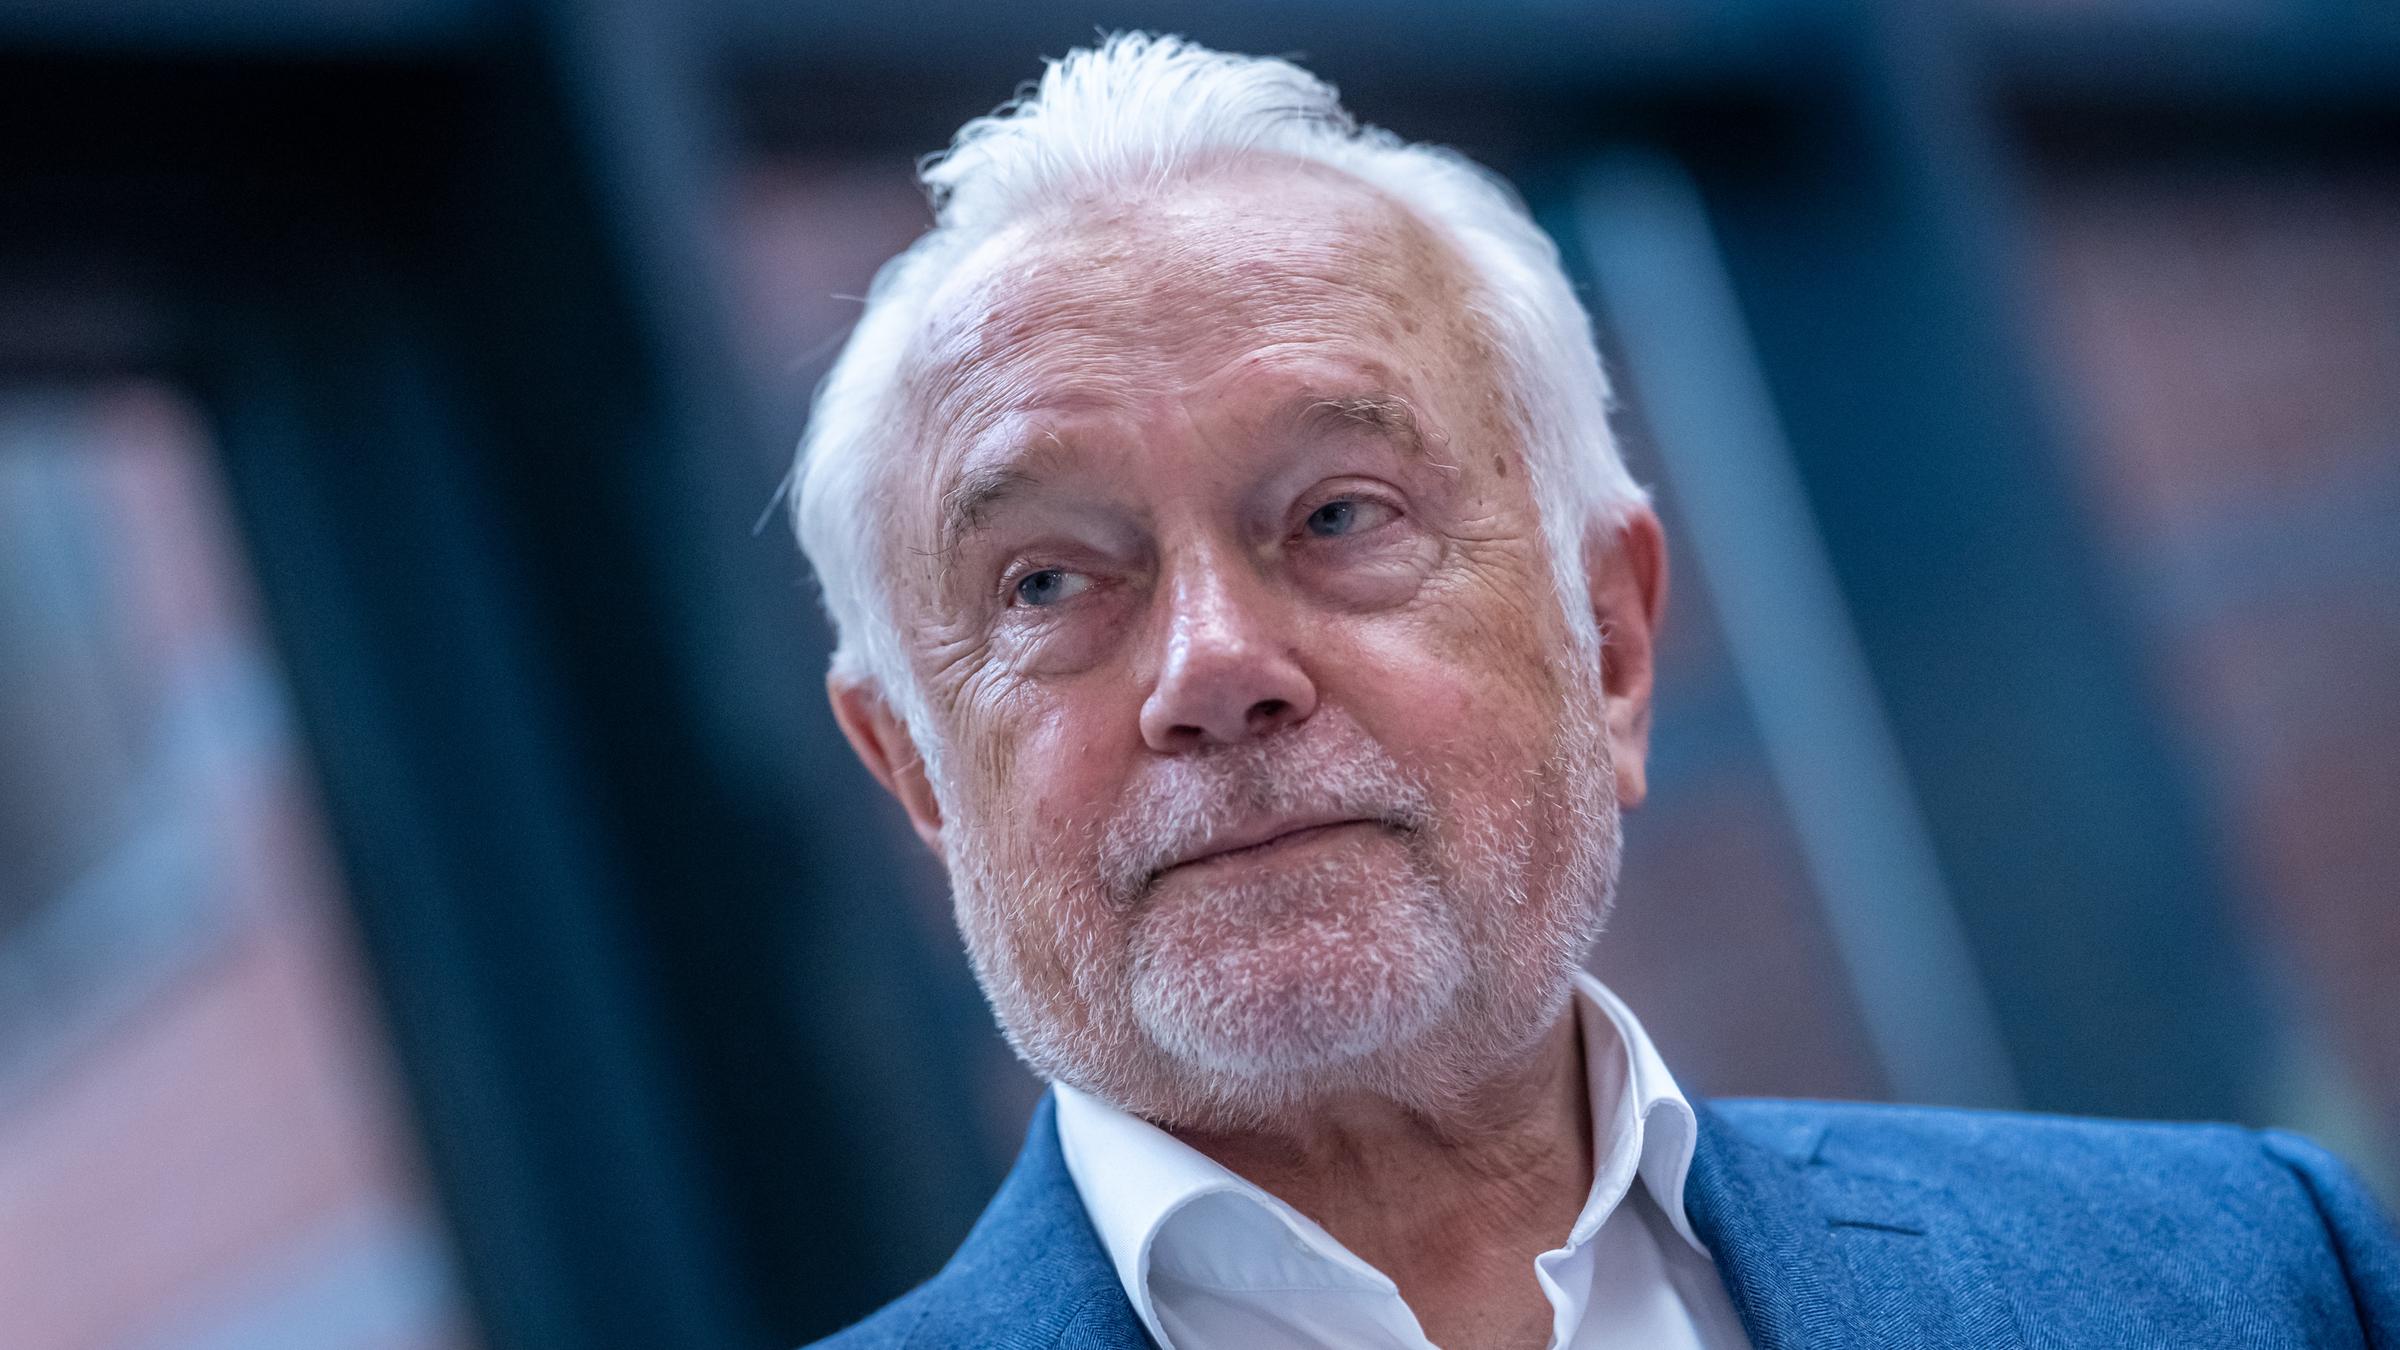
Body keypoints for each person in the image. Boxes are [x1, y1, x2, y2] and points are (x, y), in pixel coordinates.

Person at [787, 32, 2399, 1350]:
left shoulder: (2247, 1278)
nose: (1213, 665)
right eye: (1050, 583)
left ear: (1612, 645)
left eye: (1341, 514)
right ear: (916, 769)